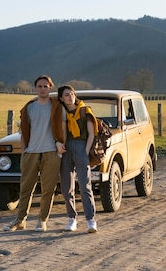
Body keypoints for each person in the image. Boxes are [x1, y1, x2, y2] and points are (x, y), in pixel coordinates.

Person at [4, 75, 65, 232]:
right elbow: (24, 131)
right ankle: (20, 220)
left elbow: (63, 128)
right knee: (25, 189)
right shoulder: (29, 108)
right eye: (40, 86)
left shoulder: (57, 106)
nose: (43, 89)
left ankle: (42, 220)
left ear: (50, 87)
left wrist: (60, 143)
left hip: (51, 152)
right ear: (35, 88)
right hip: (31, 153)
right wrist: (24, 151)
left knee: (47, 189)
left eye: (46, 86)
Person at [57, 85, 98, 233]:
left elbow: (91, 134)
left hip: (81, 147)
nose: (70, 97)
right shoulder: (61, 113)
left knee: (85, 186)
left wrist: (85, 152)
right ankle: (71, 218)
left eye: (72, 94)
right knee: (67, 187)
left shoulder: (84, 110)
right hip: (66, 149)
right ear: (61, 98)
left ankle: (91, 220)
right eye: (66, 95)